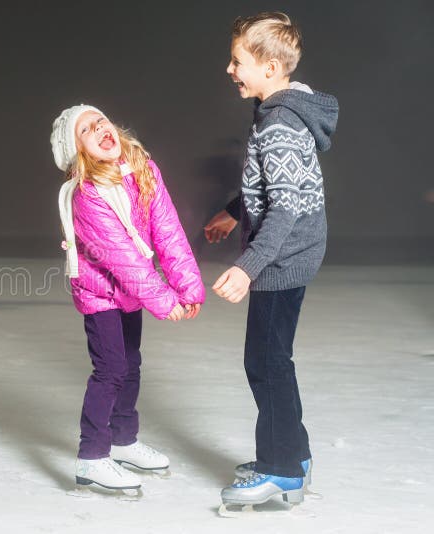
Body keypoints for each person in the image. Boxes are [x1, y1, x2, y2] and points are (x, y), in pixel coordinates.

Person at [204, 12, 339, 508]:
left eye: (238, 60)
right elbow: (272, 186)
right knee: (273, 359)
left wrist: (246, 267)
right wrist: (232, 212)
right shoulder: (277, 112)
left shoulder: (280, 122)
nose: (229, 69)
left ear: (271, 65)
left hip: (283, 257)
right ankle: (295, 455)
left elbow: (284, 209)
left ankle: (280, 468)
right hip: (293, 251)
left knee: (264, 362)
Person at [51, 104, 205, 493]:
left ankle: (123, 441)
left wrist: (188, 287)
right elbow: (125, 258)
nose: (100, 126)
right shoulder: (87, 195)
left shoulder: (142, 172)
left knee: (131, 364)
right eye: (86, 128)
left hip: (129, 294)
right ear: (77, 151)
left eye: (100, 119)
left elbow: (166, 230)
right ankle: (92, 457)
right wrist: (165, 301)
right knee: (111, 369)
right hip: (100, 294)